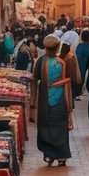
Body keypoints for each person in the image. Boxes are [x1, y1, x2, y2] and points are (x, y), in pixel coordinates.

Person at [29, 34, 73, 166]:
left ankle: (49, 154)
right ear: (57, 47)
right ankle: (61, 156)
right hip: (60, 100)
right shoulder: (62, 63)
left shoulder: (40, 62)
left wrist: (33, 100)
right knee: (60, 126)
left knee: (45, 126)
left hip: (44, 101)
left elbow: (34, 81)